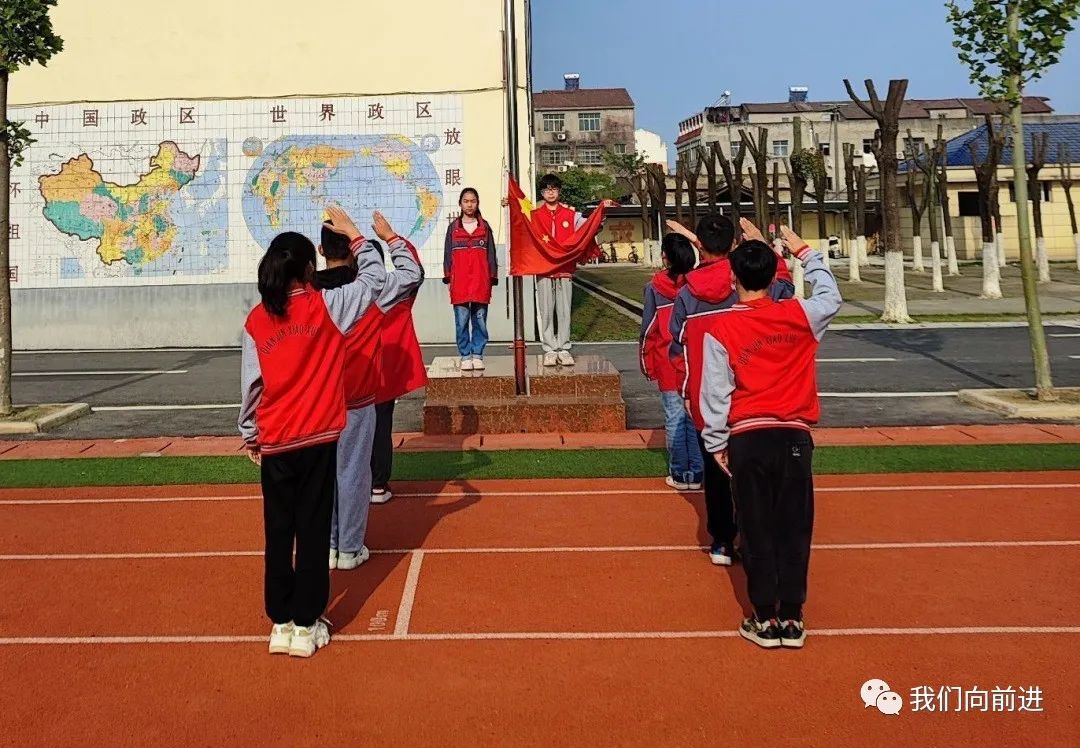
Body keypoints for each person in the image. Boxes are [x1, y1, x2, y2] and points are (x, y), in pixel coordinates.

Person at [238, 206, 389, 658]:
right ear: (309, 268)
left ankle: (281, 622)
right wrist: (356, 235)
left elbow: (251, 385)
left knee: (278, 532)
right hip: (317, 438)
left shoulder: (257, 319)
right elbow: (375, 279)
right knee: (312, 529)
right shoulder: (327, 306)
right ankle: (306, 624)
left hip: (277, 440)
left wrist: (250, 434)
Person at [696, 226, 842, 649]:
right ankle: (792, 616)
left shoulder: (722, 328)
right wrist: (806, 253)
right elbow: (831, 296)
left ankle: (764, 617)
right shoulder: (799, 315)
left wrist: (716, 443)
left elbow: (715, 392)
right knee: (794, 527)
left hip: (748, 437)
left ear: (732, 278)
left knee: (756, 528)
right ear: (774, 276)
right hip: (793, 436)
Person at [668, 214, 794, 567]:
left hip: (706, 394)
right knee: (753, 471)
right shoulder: (750, 280)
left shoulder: (687, 293)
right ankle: (756, 539)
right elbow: (784, 288)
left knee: (715, 472)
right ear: (735, 243)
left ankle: (722, 541)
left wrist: (687, 392)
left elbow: (677, 349)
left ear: (700, 246)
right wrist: (765, 248)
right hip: (752, 392)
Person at [314, 218, 423, 571]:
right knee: (354, 474)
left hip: (317, 400)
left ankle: (328, 545)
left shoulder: (307, 294)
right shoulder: (370, 290)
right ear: (353, 251)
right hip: (357, 399)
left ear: (320, 250)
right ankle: (348, 547)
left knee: (322, 476)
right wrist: (389, 237)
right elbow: (412, 273)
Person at [639, 233, 703, 491]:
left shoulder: (655, 287)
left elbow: (648, 329)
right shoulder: (698, 285)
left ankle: (679, 472)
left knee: (675, 418)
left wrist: (646, 363)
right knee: (694, 417)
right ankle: (696, 472)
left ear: (666, 256)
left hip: (667, 359)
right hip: (694, 359)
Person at [370, 236, 427, 505]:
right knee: (381, 427)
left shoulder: (347, 291)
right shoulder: (396, 289)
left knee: (353, 430)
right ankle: (377, 484)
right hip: (384, 373)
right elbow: (416, 272)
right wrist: (393, 238)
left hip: (354, 371)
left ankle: (353, 485)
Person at [531, 173, 610, 367]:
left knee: (564, 310)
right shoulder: (534, 216)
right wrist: (509, 205)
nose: (550, 193)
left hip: (565, 268)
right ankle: (549, 349)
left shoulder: (571, 215)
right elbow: (520, 225)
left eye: (554, 189)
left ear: (559, 191)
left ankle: (564, 347)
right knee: (546, 310)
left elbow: (589, 227)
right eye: (547, 189)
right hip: (544, 268)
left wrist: (601, 212)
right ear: (542, 193)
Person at [443, 187, 498, 370]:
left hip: (481, 281)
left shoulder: (485, 227)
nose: (469, 205)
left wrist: (492, 277)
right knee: (461, 322)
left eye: (472, 201)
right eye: (466, 201)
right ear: (460, 204)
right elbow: (447, 255)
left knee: (480, 320)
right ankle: (465, 355)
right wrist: (448, 277)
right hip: (459, 283)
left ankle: (477, 354)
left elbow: (491, 255)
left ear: (477, 203)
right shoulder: (453, 228)